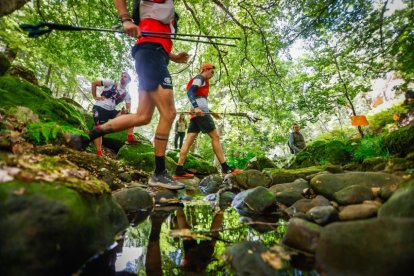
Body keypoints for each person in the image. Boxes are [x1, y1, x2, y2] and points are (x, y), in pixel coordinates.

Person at [65, 0, 189, 189]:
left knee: (143, 117)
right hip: (150, 54)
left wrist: (172, 56)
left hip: (155, 54)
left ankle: (84, 138)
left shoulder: (166, 14)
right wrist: (125, 20)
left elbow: (158, 35)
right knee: (169, 113)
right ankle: (159, 173)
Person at [173, 63, 241, 179]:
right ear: (205, 69)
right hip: (200, 112)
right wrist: (196, 107)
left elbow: (198, 97)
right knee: (215, 137)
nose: (213, 74)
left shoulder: (201, 80)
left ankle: (179, 170)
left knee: (188, 141)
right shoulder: (200, 78)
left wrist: (211, 112)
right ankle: (226, 168)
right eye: (212, 71)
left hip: (198, 113)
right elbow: (190, 92)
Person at [91, 71, 140, 156]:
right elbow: (94, 83)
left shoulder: (127, 94)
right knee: (99, 129)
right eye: (122, 76)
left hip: (111, 110)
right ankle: (99, 153)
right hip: (100, 107)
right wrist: (95, 96)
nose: (122, 77)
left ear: (128, 81)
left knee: (131, 116)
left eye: (125, 77)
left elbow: (128, 109)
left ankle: (130, 137)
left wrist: (125, 112)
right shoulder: (110, 83)